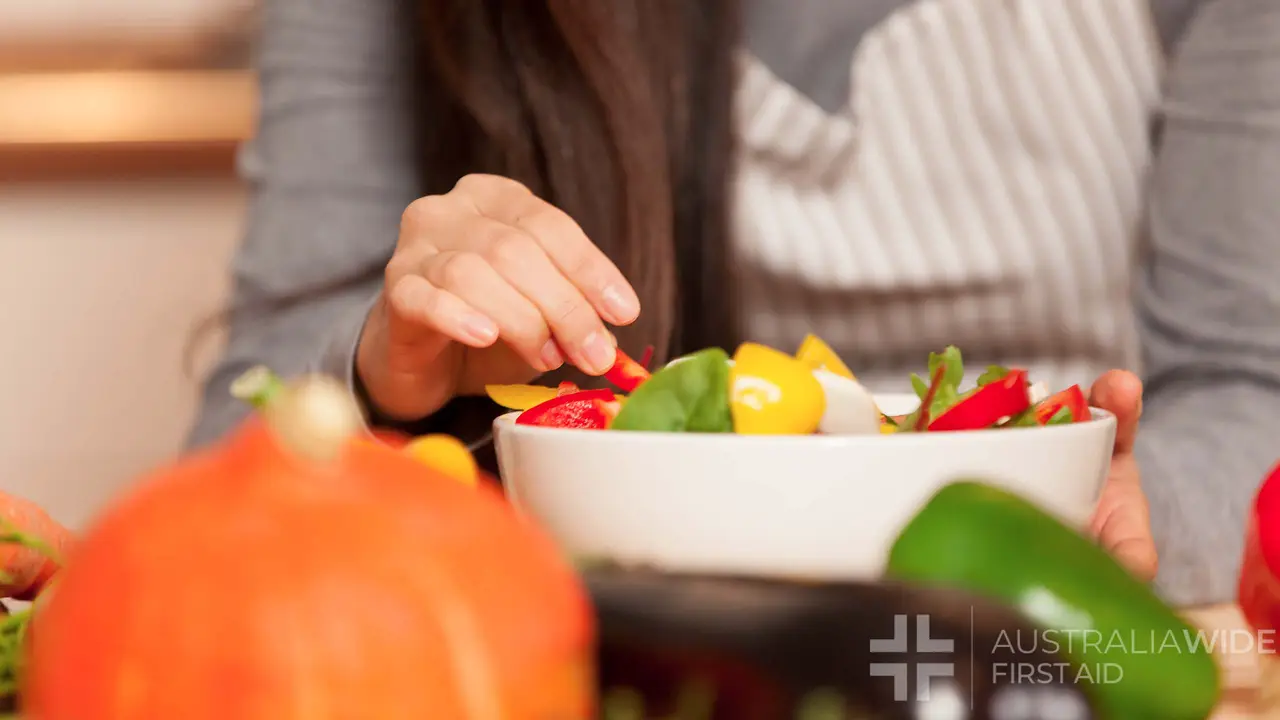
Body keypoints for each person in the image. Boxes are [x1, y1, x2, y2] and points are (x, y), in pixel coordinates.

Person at [187, 0, 1280, 608]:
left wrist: (1137, 519)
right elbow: (229, 449)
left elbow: (1248, 380)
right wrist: (383, 369)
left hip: (1043, 628)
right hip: (615, 640)